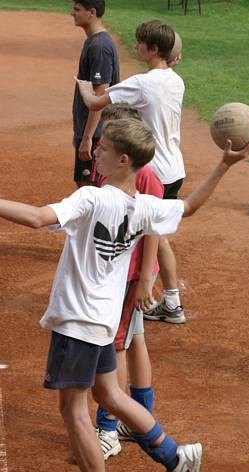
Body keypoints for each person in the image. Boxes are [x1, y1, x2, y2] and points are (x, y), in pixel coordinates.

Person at [0, 113, 249, 472]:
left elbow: (37, 218)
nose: (96, 152)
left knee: (73, 410)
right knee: (109, 394)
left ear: (123, 160)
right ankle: (175, 457)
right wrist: (224, 165)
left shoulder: (91, 198)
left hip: (79, 320)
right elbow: (188, 206)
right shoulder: (145, 206)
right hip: (105, 319)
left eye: (103, 148)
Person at [76, 19, 187, 324]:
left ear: (152, 49)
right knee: (157, 236)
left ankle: (143, 296)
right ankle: (171, 301)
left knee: (146, 237)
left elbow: (95, 102)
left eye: (140, 43)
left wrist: (84, 87)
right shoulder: (176, 80)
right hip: (174, 168)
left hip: (150, 171)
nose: (135, 46)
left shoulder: (141, 83)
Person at [94, 104, 163, 460]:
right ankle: (139, 416)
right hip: (120, 272)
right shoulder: (110, 172)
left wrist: (145, 279)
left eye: (107, 139)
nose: (99, 144)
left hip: (131, 274)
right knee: (134, 340)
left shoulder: (146, 177)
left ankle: (108, 428)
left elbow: (154, 230)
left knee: (116, 346)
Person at [71, 0, 120, 188]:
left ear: (92, 12)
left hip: (98, 134)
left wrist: (87, 137)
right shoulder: (93, 42)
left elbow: (100, 94)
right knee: (85, 184)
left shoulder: (99, 46)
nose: (72, 13)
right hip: (93, 131)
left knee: (89, 186)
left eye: (77, 9)